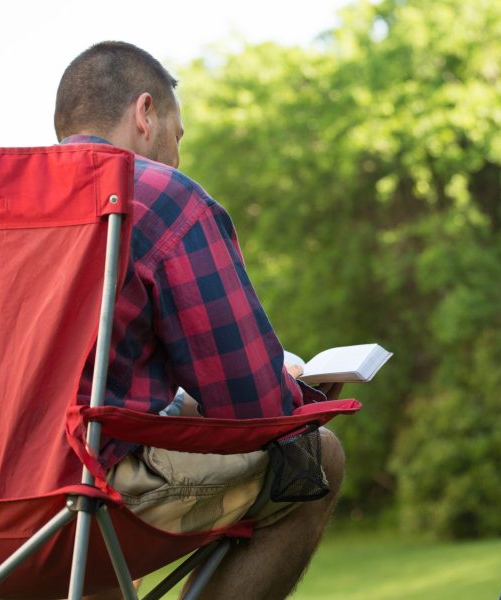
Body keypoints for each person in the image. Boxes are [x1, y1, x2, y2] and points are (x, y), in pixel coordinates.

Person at [55, 41, 343, 598]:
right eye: (177, 136)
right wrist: (304, 401)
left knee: (135, 428)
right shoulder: (158, 195)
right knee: (318, 459)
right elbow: (252, 408)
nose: (177, 159)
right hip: (84, 490)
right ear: (145, 113)